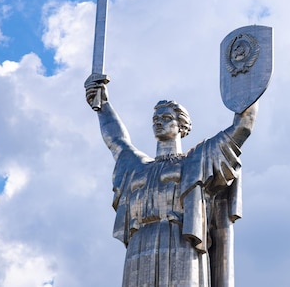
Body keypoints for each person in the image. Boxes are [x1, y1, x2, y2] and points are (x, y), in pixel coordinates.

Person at [85, 77, 257, 287]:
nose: (158, 122)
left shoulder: (198, 159)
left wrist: (251, 82)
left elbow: (242, 128)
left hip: (180, 239)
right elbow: (117, 141)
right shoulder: (137, 166)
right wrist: (102, 104)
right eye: (155, 119)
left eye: (166, 118)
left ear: (181, 126)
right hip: (140, 243)